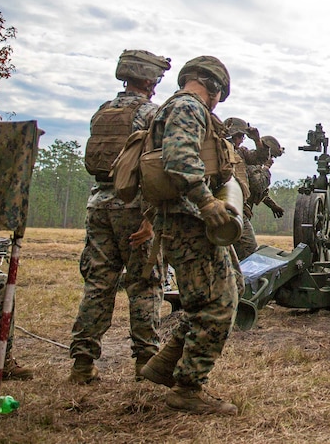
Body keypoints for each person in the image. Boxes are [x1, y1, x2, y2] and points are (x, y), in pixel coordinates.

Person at [138, 55, 243, 415]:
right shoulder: (188, 107)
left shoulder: (172, 108)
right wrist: (207, 203)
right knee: (217, 305)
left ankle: (165, 364)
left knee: (224, 292)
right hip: (191, 220)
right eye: (219, 94)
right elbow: (180, 160)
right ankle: (187, 388)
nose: (217, 102)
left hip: (188, 219)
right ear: (211, 85)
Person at [69, 49, 170, 385]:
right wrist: (150, 218)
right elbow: (156, 167)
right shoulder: (151, 113)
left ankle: (82, 363)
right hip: (135, 204)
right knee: (145, 283)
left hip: (98, 202)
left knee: (98, 283)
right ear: (147, 79)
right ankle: (146, 363)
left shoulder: (103, 111)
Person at [232, 133, 285, 262]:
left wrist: (273, 206)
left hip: (239, 211)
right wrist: (266, 168)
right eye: (271, 156)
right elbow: (258, 185)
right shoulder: (251, 163)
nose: (271, 159)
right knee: (249, 251)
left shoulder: (253, 163)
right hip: (237, 211)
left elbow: (258, 193)